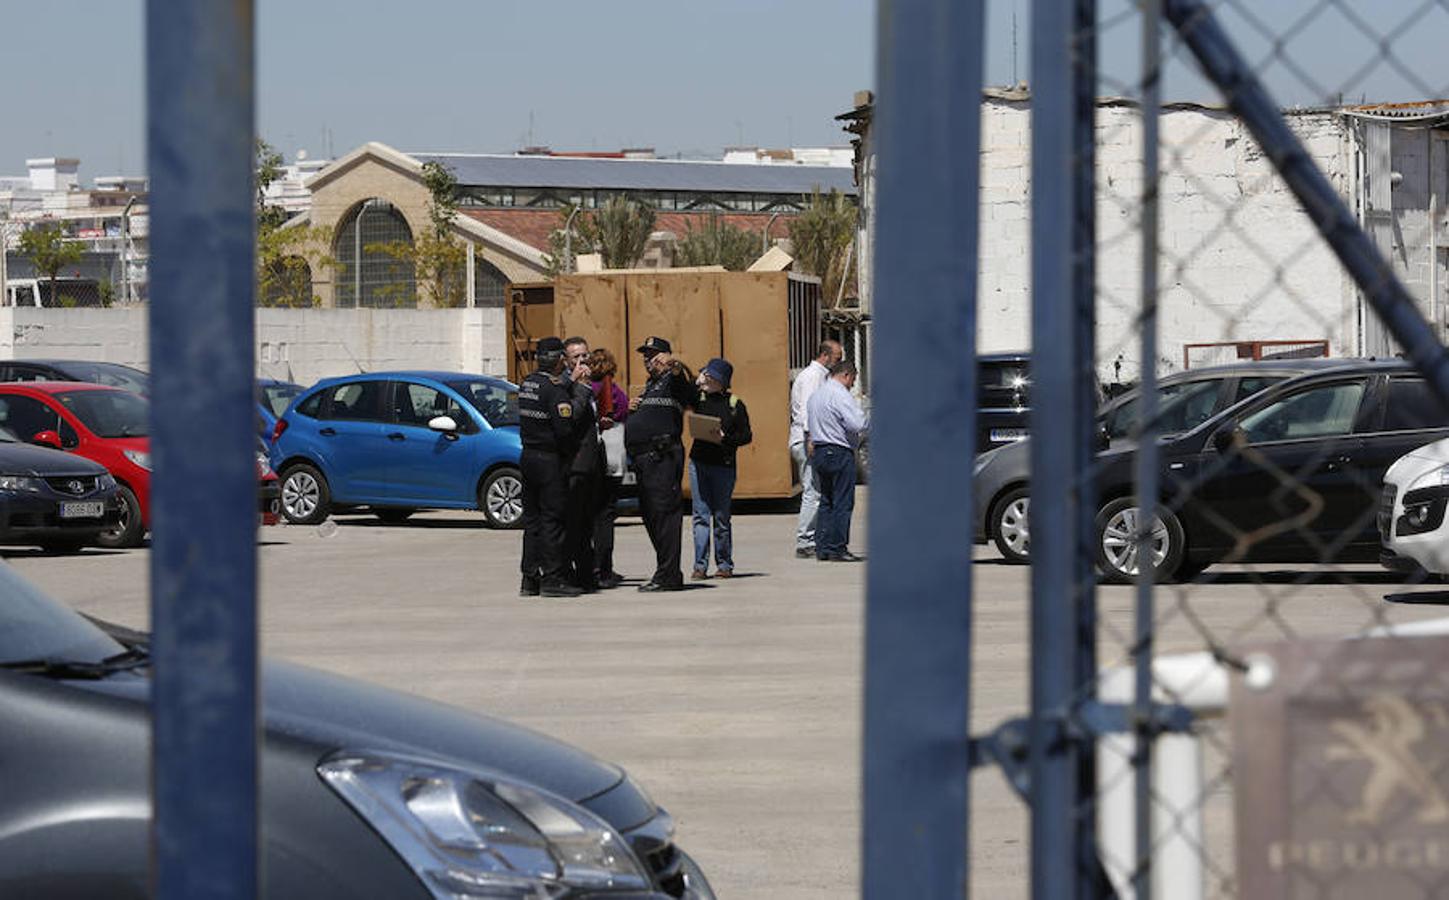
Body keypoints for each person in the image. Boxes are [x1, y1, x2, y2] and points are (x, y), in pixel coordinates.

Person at [518, 336, 592, 597]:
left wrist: (570, 382)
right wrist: (581, 391)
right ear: (560, 359)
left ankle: (529, 578)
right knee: (552, 520)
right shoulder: (555, 390)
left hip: (528, 458)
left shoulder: (528, 383)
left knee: (533, 521)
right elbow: (566, 427)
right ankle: (553, 578)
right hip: (549, 460)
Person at [625, 336, 696, 592]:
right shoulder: (651, 384)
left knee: (665, 516)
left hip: (662, 457)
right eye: (645, 355)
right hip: (645, 460)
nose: (648, 359)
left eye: (654, 354)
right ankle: (666, 570)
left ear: (666, 356)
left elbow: (683, 375)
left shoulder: (674, 380)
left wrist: (673, 363)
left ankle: (668, 575)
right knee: (651, 515)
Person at [688, 358, 752, 579]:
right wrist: (697, 381)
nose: (706, 379)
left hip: (723, 465)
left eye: (710, 376)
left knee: (721, 516)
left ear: (721, 381)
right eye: (705, 374)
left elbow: (746, 436)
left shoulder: (735, 404)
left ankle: (724, 564)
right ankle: (699, 565)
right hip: (699, 462)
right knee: (700, 515)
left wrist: (726, 438)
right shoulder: (700, 398)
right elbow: (683, 390)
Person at [805, 360, 868, 562]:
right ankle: (838, 547)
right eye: (853, 380)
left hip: (820, 451)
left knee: (826, 500)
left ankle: (822, 547)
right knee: (842, 501)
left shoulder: (816, 395)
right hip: (839, 451)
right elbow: (857, 423)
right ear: (847, 375)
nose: (852, 385)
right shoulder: (840, 395)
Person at [789, 340, 843, 559]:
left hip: (811, 439)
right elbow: (807, 410)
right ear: (825, 355)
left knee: (818, 490)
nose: (838, 362)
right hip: (806, 440)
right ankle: (805, 540)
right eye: (837, 358)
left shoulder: (820, 375)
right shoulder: (813, 376)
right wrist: (811, 438)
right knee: (813, 492)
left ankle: (815, 537)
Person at [562, 336, 603, 591]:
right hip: (575, 463)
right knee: (574, 521)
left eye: (584, 356)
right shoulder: (565, 386)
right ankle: (573, 573)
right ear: (566, 361)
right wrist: (577, 386)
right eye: (576, 357)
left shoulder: (591, 384)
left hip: (593, 460)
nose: (582, 362)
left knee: (590, 521)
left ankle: (589, 572)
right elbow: (571, 420)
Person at [589, 347, 630, 589]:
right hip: (612, 458)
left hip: (591, 459)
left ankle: (592, 565)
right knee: (606, 515)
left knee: (592, 515)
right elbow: (624, 412)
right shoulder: (612, 390)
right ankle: (604, 568)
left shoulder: (586, 389)